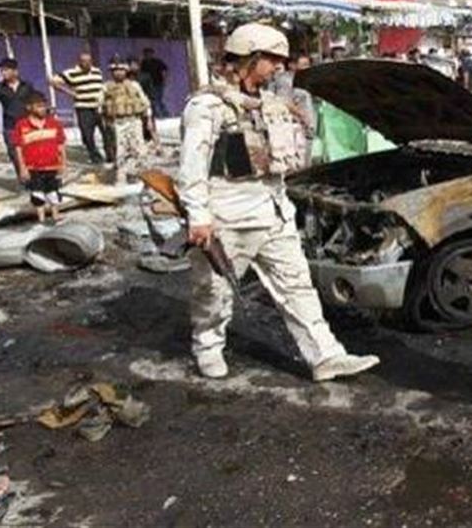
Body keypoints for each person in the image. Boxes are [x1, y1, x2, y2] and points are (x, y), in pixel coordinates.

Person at [177, 23, 379, 381]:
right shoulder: (207, 107)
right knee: (214, 292)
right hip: (227, 216)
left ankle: (325, 356)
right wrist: (198, 217)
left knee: (297, 288)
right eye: (272, 60)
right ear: (249, 57)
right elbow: (192, 165)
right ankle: (207, 347)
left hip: (273, 213)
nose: (278, 68)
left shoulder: (270, 104)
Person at [12, 92, 65, 224]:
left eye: (44, 106)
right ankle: (41, 219)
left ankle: (56, 215)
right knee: (37, 193)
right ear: (29, 107)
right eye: (39, 106)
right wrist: (22, 167)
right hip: (33, 167)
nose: (43, 109)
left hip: (52, 165)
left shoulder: (54, 123)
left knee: (53, 191)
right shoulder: (21, 125)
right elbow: (18, 148)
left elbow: (61, 145)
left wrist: (63, 164)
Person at [101, 60, 151, 183]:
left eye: (121, 70)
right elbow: (100, 107)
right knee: (120, 152)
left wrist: (148, 121)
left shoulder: (134, 85)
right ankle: (121, 179)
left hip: (134, 121)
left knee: (139, 151)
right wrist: (106, 125)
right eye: (115, 70)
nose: (118, 73)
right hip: (117, 123)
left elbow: (145, 103)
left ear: (126, 71)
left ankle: (141, 178)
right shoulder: (106, 87)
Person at [52, 52, 106, 164]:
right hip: (84, 107)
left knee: (106, 132)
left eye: (89, 61)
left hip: (99, 107)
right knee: (87, 135)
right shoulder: (71, 73)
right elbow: (53, 81)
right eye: (84, 61)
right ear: (79, 62)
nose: (87, 63)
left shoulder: (97, 71)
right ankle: (95, 157)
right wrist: (69, 92)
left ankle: (110, 155)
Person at [0, 58, 34, 175]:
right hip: (10, 127)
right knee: (14, 153)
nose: (3, 73)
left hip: (28, 125)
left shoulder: (27, 86)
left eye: (6, 70)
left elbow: (35, 103)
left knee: (31, 152)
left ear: (15, 71)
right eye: (2, 70)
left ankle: (34, 178)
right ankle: (23, 179)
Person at [139, 47, 169, 118]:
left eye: (149, 53)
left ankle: (164, 114)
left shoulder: (157, 62)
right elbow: (141, 73)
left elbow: (165, 70)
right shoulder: (143, 63)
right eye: (146, 54)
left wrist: (164, 80)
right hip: (148, 85)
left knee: (158, 99)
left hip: (158, 83)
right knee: (152, 100)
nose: (148, 55)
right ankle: (156, 115)